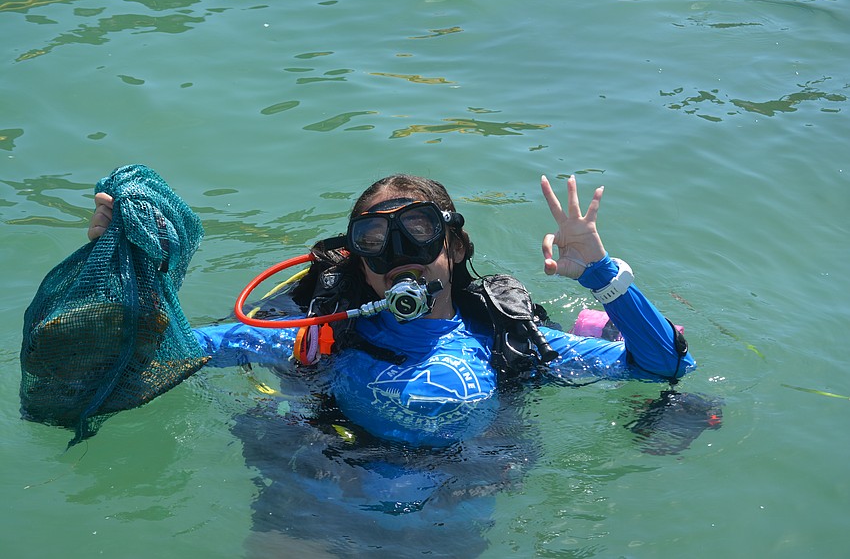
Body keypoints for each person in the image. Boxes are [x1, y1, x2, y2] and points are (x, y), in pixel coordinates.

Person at [87, 173, 695, 447]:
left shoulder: (509, 340)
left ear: (454, 247)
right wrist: (118, 264)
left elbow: (661, 367)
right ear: (356, 254)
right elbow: (170, 347)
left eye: (418, 231)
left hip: (451, 515)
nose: (398, 256)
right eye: (376, 241)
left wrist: (600, 274)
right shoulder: (316, 335)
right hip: (313, 504)